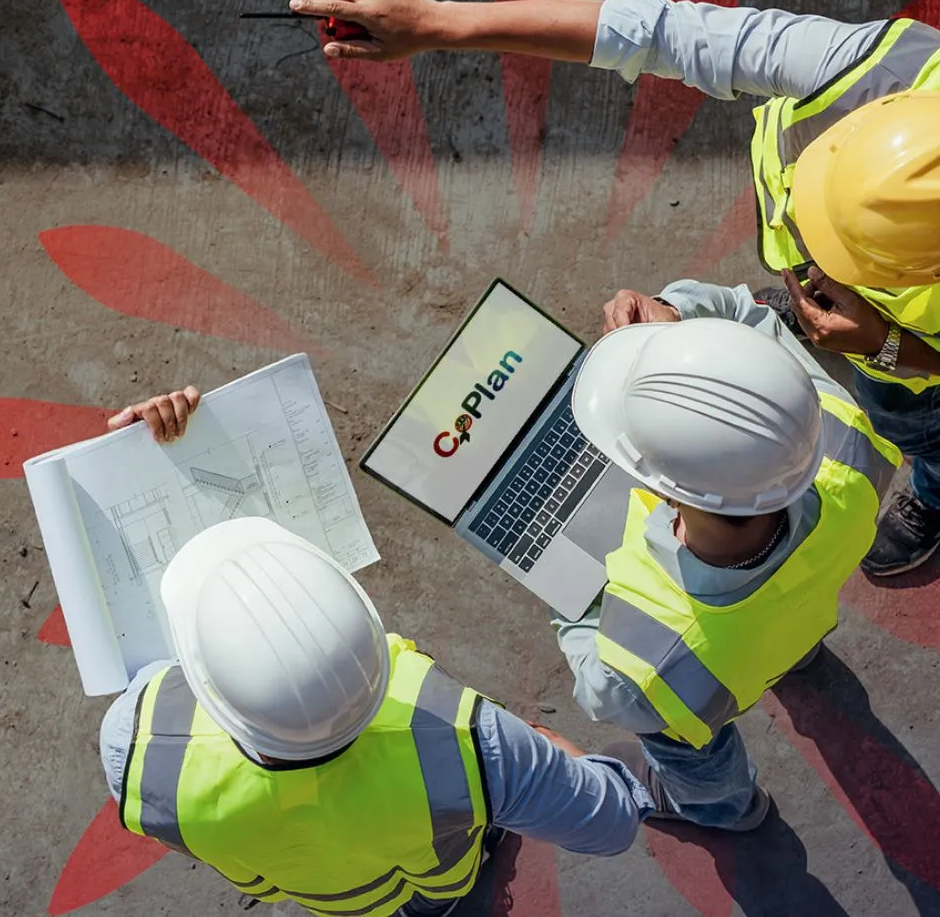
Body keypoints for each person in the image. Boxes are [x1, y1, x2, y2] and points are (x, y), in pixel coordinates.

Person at [289, 0, 940, 576]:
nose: (806, 256)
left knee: (923, 424)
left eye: (836, 255)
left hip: (900, 357)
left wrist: (901, 351)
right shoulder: (869, 67)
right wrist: (441, 22)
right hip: (868, 327)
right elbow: (658, 33)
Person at [99, 389, 652, 917]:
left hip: (333, 899)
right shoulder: (475, 745)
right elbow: (608, 821)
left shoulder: (135, 745)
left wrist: (137, 463)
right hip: (437, 879)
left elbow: (147, 654)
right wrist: (557, 756)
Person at [553, 283, 900, 829]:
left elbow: (600, 692)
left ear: (663, 492)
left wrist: (568, 595)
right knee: (783, 627)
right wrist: (678, 319)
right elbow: (751, 322)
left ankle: (722, 808)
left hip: (705, 682)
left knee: (682, 744)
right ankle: (795, 659)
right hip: (788, 620)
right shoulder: (846, 444)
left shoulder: (641, 670)